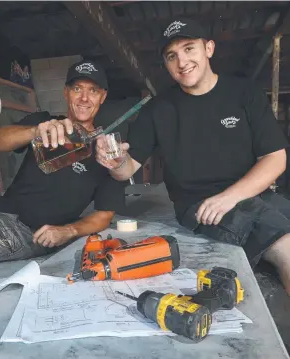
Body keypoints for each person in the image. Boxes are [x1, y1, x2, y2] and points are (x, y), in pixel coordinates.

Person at [96, 19, 290, 295]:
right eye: (171, 56)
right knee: (286, 248)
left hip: (252, 194)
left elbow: (275, 157)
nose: (182, 61)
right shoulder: (157, 110)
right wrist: (115, 162)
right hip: (201, 207)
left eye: (189, 49)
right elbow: (127, 169)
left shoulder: (243, 93)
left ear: (208, 48)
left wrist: (230, 196)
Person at [0, 60, 125, 266]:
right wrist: (35, 131)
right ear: (66, 92)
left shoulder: (105, 150)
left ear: (103, 97)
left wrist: (68, 231)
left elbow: (104, 214)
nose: (84, 98)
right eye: (77, 89)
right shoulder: (44, 121)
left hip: (27, 234)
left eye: (93, 91)